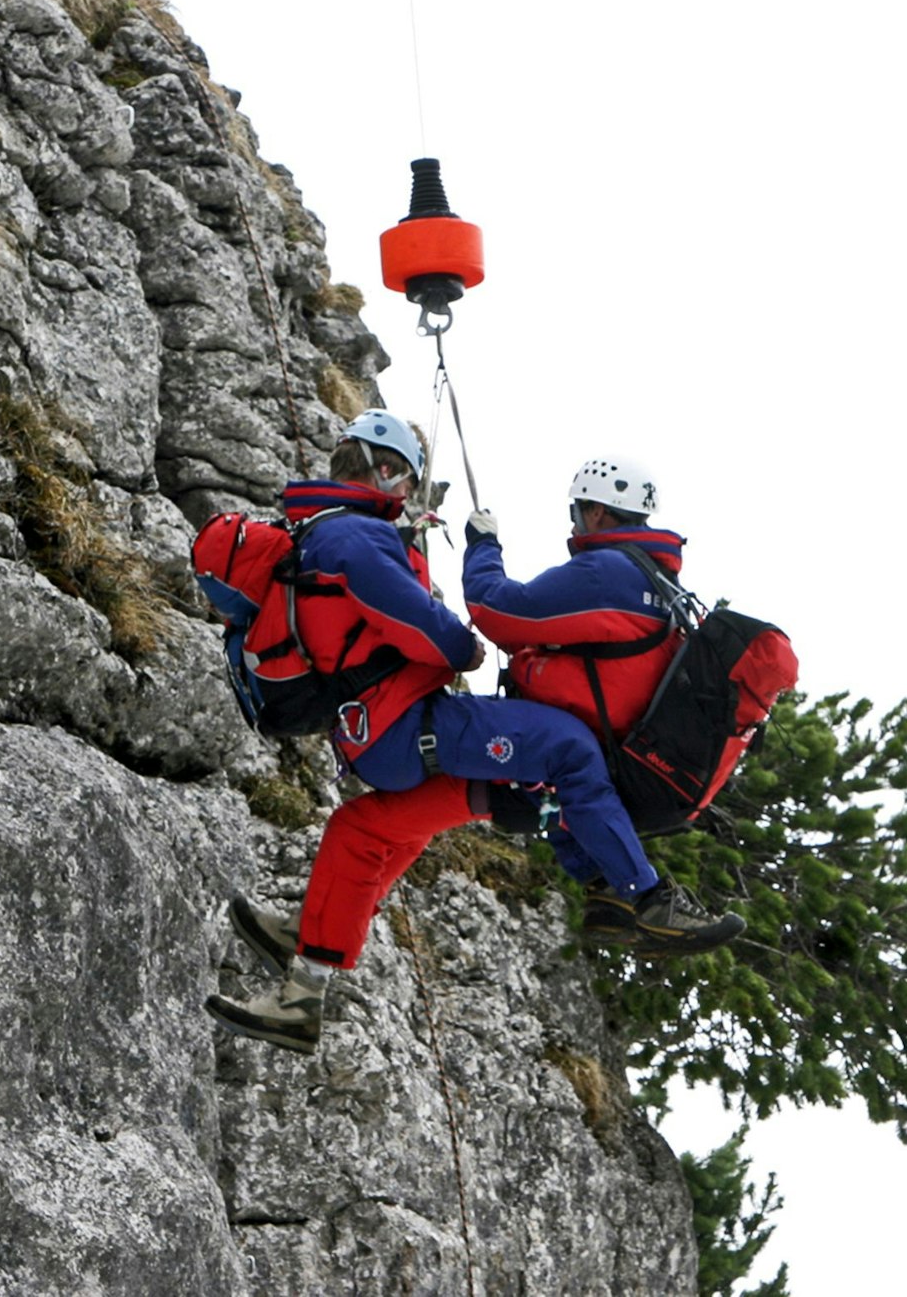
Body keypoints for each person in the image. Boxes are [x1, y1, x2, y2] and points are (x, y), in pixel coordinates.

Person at [205, 414, 738, 1055]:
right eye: (406, 479)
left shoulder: (324, 531)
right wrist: (464, 643)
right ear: (385, 470)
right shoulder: (356, 536)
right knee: (568, 748)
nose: (407, 493)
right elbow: (439, 626)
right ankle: (644, 896)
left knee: (367, 829)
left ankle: (305, 974)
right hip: (406, 725)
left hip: (373, 730)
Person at [461, 456, 748, 948]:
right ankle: (607, 891)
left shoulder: (607, 572)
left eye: (576, 511)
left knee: (531, 745)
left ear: (596, 512)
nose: (574, 524)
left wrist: (483, 546)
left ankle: (644, 895)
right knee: (562, 761)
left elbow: (497, 611)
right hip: (638, 753)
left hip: (589, 746)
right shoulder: (659, 581)